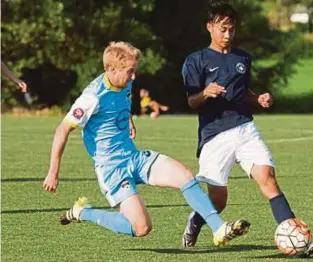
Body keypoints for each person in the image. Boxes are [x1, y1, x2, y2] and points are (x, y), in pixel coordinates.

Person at [42, 41, 250, 247]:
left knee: (185, 176)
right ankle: (83, 212)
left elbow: (122, 100)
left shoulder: (124, 82)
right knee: (141, 228)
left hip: (134, 157)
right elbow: (62, 129)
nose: (134, 77)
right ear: (112, 69)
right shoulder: (92, 97)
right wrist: (53, 171)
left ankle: (218, 228)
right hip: (112, 170)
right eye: (130, 71)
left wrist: (128, 119)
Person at [181, 0, 313, 256]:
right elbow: (191, 101)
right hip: (215, 135)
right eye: (222, 28)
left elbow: (242, 93)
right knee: (219, 202)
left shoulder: (243, 58)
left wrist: (258, 100)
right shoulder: (195, 61)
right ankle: (196, 220)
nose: (227, 34)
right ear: (209, 27)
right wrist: (205, 93)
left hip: (245, 128)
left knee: (268, 178)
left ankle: (296, 235)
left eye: (231, 29)